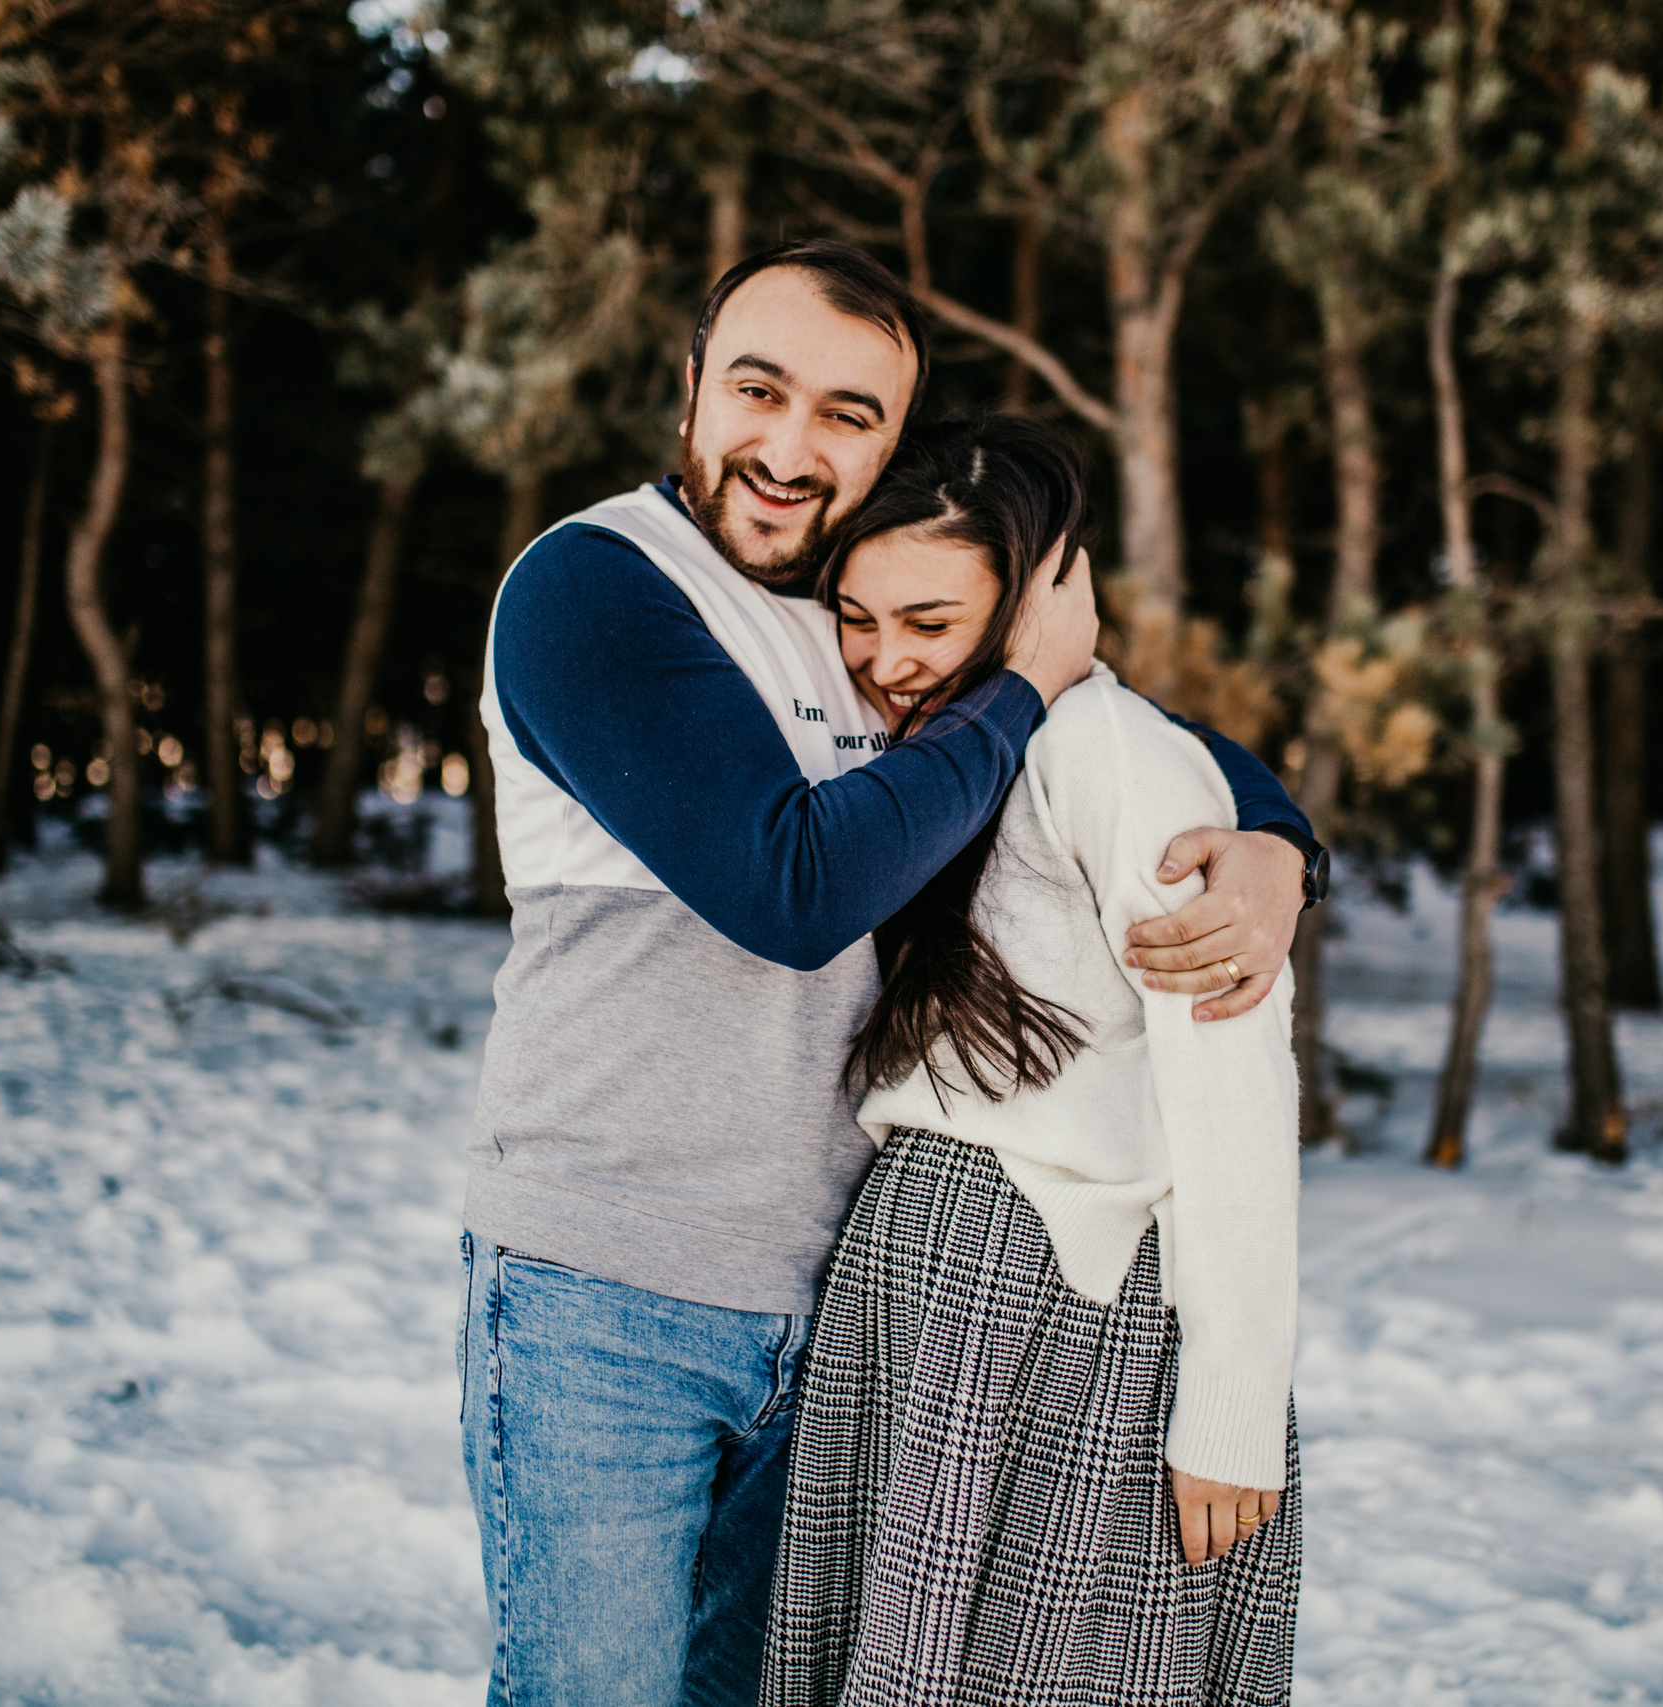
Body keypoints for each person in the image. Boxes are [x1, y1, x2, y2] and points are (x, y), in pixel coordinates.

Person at [460, 240, 1326, 1707]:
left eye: (848, 415)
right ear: (691, 385)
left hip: (850, 1307)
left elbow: (1130, 746)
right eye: (759, 391)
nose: (791, 450)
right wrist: (1026, 679)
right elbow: (791, 887)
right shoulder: (600, 589)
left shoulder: (868, 600)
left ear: (892, 446)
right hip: (613, 1292)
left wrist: (1278, 845)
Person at [761, 415, 1300, 1707]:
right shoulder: (920, 753)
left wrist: (1234, 1399)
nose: (887, 659)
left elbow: (1233, 1073)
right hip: (912, 1270)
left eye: (932, 621)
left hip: (1061, 1287)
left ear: (1033, 603)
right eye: (858, 619)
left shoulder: (1109, 751)